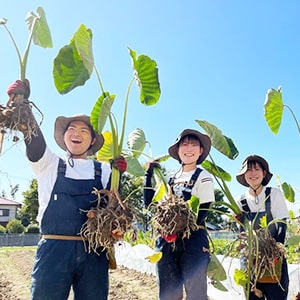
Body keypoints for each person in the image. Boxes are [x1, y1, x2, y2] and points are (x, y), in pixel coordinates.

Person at [6, 80, 127, 300]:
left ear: (92, 141)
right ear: (64, 137)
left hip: (94, 250)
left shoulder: (105, 170)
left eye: (84, 130)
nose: (77, 133)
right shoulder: (49, 163)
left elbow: (116, 206)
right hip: (54, 248)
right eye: (71, 129)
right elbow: (33, 140)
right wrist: (22, 104)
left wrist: (121, 175)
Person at [144, 129, 215, 300]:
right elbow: (150, 204)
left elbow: (203, 211)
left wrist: (177, 228)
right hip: (166, 240)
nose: (189, 148)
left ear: (201, 151)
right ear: (177, 150)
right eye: (184, 144)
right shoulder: (169, 178)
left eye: (194, 145)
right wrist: (149, 174)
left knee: (196, 292)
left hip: (193, 240)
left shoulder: (203, 176)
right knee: (168, 292)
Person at [235, 154, 289, 300]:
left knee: (276, 295)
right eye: (249, 170)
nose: (253, 173)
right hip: (251, 257)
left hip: (273, 257)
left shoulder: (273, 194)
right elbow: (242, 234)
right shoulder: (241, 200)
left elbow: (282, 225)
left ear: (264, 173)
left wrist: (276, 252)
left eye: (257, 169)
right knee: (251, 295)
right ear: (244, 175)